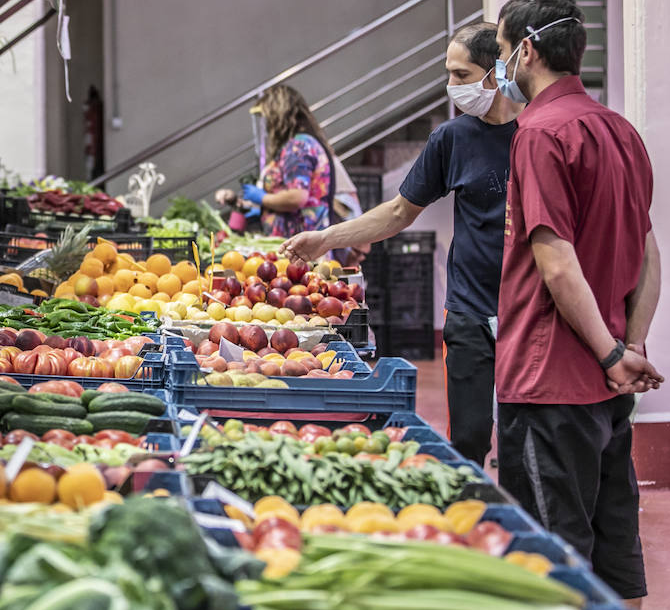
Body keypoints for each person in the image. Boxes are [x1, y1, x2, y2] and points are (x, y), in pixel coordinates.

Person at [492, 0, 662, 606]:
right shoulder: (621, 132)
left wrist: (611, 352)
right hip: (606, 388)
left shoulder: (539, 133)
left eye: (504, 51)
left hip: (549, 383)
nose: (500, 68)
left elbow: (557, 262)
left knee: (551, 560)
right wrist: (627, 347)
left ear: (528, 50)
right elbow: (649, 253)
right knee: (615, 548)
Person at [283, 23, 518, 466]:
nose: (452, 87)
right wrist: (326, 238)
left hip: (528, 314)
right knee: (467, 440)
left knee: (523, 442)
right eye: (448, 74)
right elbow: (397, 213)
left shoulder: (538, 134)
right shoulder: (452, 139)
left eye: (462, 75)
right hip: (470, 311)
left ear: (497, 72)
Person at [218, 84, 334, 237]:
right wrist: (237, 200)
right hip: (290, 245)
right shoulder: (295, 145)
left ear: (278, 115)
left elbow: (296, 197)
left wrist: (262, 198)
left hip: (301, 247)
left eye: (267, 117)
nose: (266, 125)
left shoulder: (299, 146)